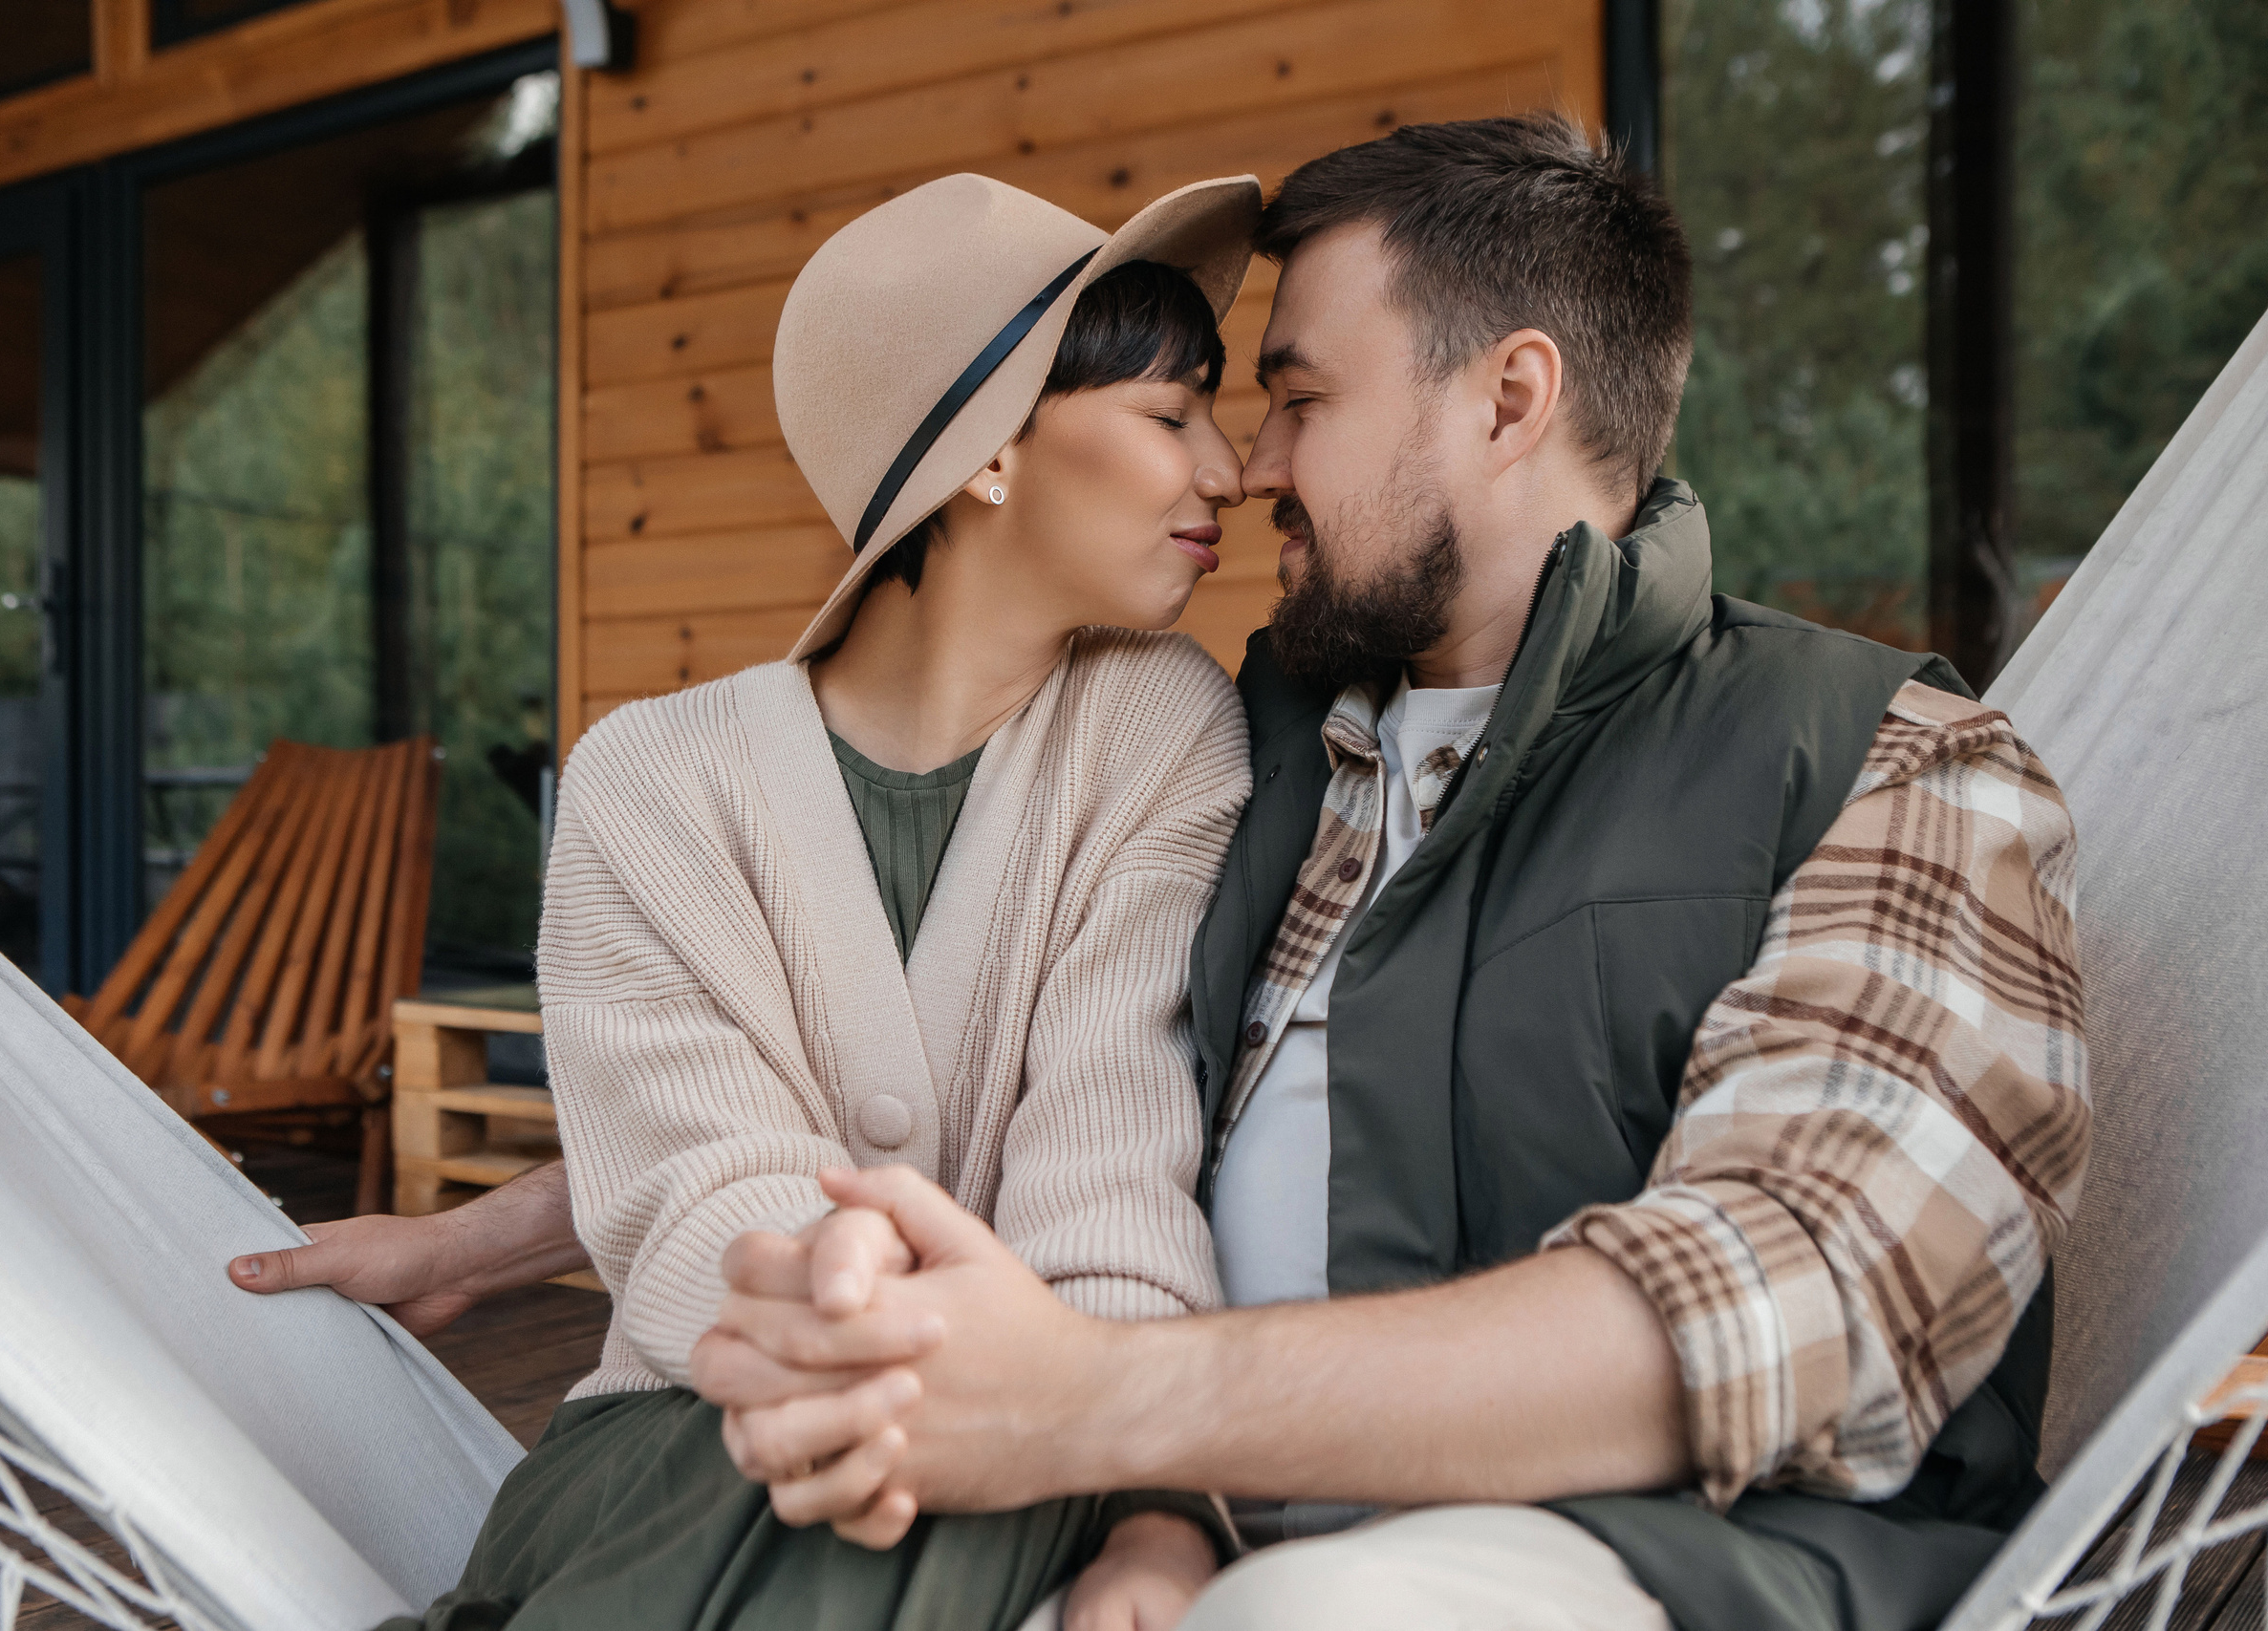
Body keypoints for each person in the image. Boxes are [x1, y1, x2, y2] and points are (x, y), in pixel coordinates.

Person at [240, 115, 2088, 1631]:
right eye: (1212, 409)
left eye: (1293, 399)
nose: (1254, 468)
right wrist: (519, 1222)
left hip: (1598, 1556)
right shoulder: (1277, 734)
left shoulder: (1886, 767)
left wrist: (1109, 1419)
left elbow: (1806, 1289)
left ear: (1511, 401)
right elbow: (884, 1055)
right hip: (1067, 1487)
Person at [323, 170, 1277, 1631]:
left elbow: (1115, 1145)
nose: (1228, 470)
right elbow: (699, 1179)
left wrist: (1155, 1499)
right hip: (695, 1430)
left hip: (1033, 1421)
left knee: (939, 1513)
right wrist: (866, 1333)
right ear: (990, 458)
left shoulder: (1160, 732)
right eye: (1172, 416)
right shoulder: (653, 778)